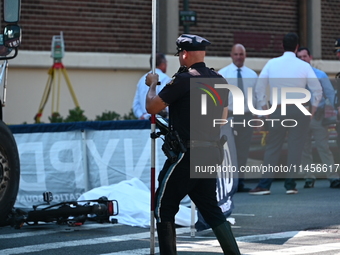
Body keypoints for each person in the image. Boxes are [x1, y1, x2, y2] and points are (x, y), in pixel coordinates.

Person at [145, 34, 241, 255]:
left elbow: (152, 107)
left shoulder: (183, 80)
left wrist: (152, 85)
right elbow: (223, 118)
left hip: (187, 155)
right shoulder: (219, 79)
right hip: (211, 152)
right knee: (211, 209)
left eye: (180, 54)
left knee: (163, 207)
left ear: (184, 54)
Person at [249, 32, 322, 195]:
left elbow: (259, 87)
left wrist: (264, 107)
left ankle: (264, 185)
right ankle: (290, 184)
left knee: (273, 147)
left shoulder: (272, 63)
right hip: (299, 109)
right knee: (296, 147)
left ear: (282, 46)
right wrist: (313, 110)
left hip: (277, 108)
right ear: (297, 47)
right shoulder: (304, 66)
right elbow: (317, 90)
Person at [296, 47, 340, 188]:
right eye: (300, 57)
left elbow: (331, 94)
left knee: (323, 147)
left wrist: (337, 110)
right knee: (304, 148)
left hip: (318, 117)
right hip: (301, 116)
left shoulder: (320, 75)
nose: (303, 59)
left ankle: (333, 177)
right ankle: (309, 177)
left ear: (310, 57)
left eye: (305, 56)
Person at [218, 44, 258, 192]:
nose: (239, 57)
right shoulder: (223, 74)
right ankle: (229, 184)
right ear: (231, 55)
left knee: (243, 150)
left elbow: (257, 98)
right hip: (230, 116)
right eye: (236, 54)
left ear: (245, 55)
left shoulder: (252, 75)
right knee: (229, 151)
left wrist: (258, 116)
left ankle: (240, 182)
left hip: (247, 116)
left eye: (241, 54)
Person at [132, 53, 170, 119]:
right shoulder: (165, 79)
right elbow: (166, 100)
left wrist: (141, 115)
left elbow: (136, 104)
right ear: (163, 64)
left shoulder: (142, 80)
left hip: (144, 122)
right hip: (159, 120)